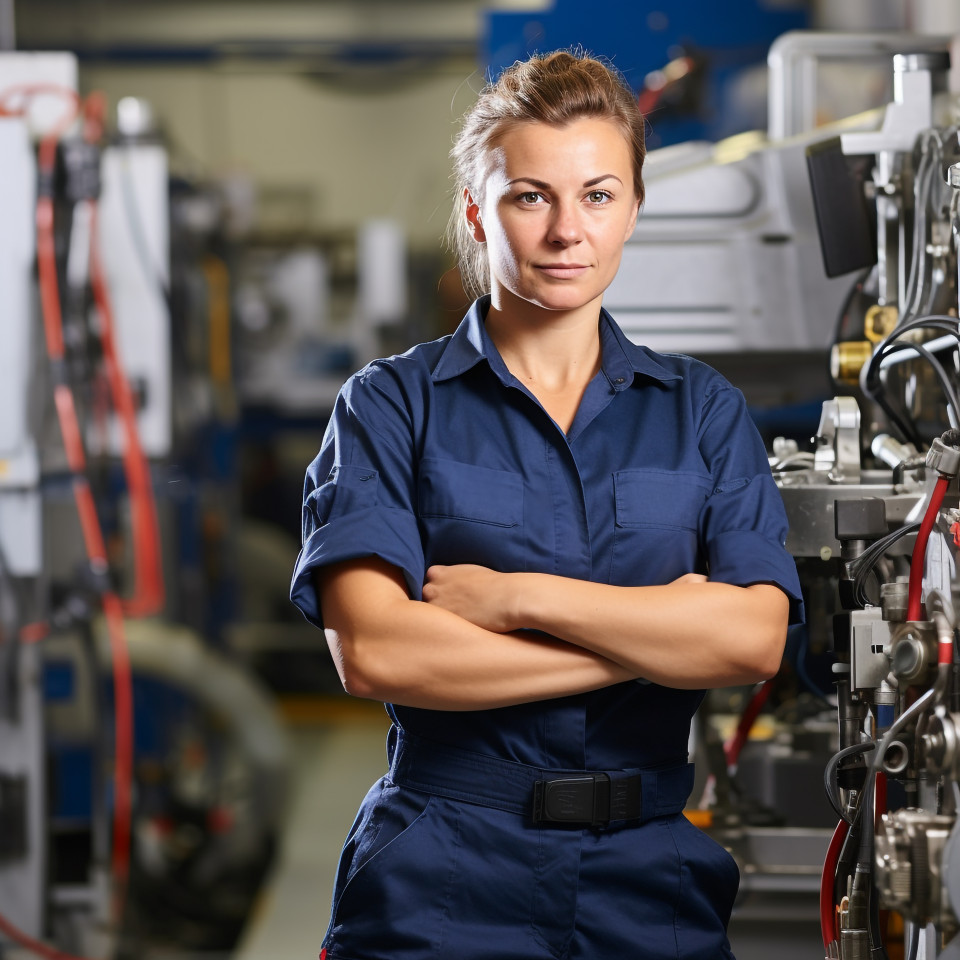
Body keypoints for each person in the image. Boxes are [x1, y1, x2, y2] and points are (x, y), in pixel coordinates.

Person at [290, 49, 803, 960]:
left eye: (599, 196)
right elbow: (375, 649)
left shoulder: (702, 412)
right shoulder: (391, 406)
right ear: (477, 212)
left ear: (635, 208)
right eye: (532, 196)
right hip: (441, 874)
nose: (569, 230)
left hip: (650, 880)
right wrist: (652, 644)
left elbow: (753, 641)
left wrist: (521, 599)